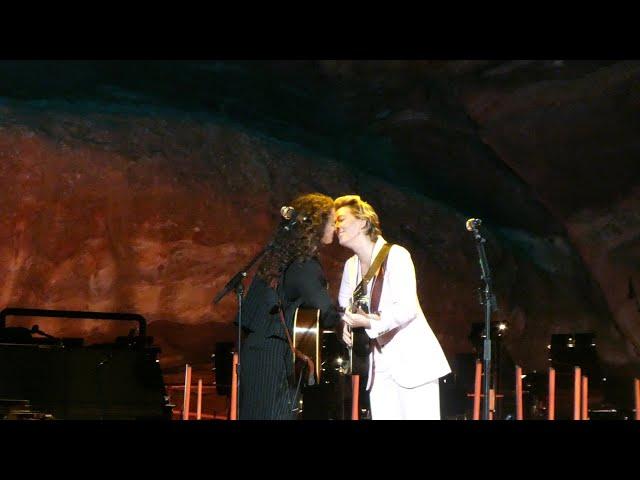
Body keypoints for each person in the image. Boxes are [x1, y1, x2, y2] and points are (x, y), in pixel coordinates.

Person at [335, 194, 451, 420]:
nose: (337, 225)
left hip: (413, 361)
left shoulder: (396, 255)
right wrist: (346, 323)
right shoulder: (351, 266)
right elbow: (344, 305)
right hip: (378, 366)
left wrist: (368, 322)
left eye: (342, 219)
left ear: (362, 222)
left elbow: (407, 308)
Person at [239, 193, 341, 420]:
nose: (335, 227)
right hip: (272, 357)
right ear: (316, 223)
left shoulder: (283, 259)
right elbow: (326, 312)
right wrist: (350, 319)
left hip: (260, 351)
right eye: (332, 221)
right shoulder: (303, 265)